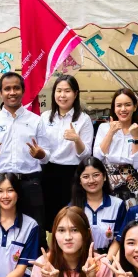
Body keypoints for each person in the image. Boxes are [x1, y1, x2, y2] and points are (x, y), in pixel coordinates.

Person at [0, 72, 50, 229]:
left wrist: (41, 155)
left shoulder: (36, 121)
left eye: (16, 88)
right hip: (1, 185)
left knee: (35, 229)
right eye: (7, 89)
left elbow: (47, 156)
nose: (12, 92)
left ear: (23, 91)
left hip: (30, 184)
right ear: (0, 93)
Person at [41, 75, 94, 228]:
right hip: (48, 172)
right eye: (59, 91)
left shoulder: (83, 119)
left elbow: (86, 155)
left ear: (75, 94)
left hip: (73, 174)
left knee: (71, 216)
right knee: (49, 218)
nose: (62, 95)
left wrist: (77, 139)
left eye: (67, 91)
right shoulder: (45, 117)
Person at [93, 88, 138, 206]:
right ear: (114, 108)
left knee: (132, 215)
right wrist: (111, 132)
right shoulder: (104, 128)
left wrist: (135, 137)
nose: (123, 109)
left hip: (131, 180)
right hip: (107, 179)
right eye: (119, 105)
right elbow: (97, 157)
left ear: (135, 107)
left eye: (128, 105)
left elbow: (137, 164)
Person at [69, 158, 126, 257]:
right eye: (86, 177)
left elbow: (119, 238)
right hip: (81, 257)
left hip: (109, 257)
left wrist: (107, 261)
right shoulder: (72, 207)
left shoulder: (117, 205)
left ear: (104, 177)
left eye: (96, 175)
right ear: (80, 181)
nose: (91, 180)